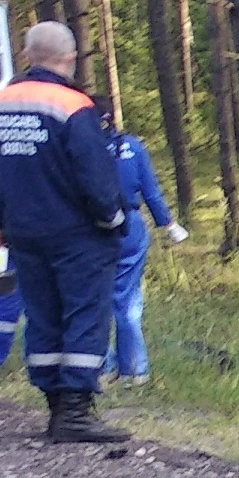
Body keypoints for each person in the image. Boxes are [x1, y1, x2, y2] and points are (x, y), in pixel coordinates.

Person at [0, 21, 130, 443]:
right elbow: (94, 175)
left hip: (23, 233)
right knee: (83, 315)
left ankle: (55, 409)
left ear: (27, 55)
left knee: (42, 316)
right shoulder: (74, 106)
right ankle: (76, 413)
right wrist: (114, 220)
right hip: (76, 234)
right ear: (71, 59)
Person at [98, 105, 188, 385]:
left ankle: (103, 367)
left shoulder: (81, 149)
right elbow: (151, 190)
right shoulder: (133, 146)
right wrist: (169, 225)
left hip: (94, 228)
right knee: (126, 300)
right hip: (131, 226)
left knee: (93, 299)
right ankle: (135, 370)